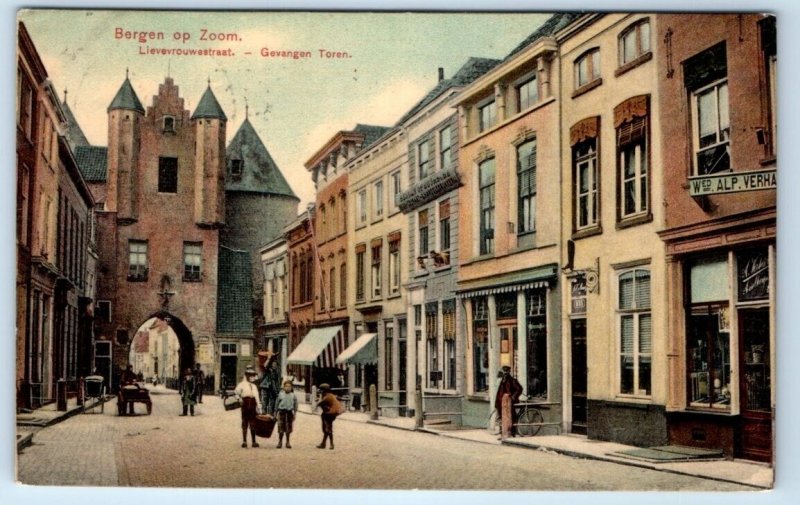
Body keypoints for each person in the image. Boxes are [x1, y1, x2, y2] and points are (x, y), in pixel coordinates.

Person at [235, 367, 262, 448]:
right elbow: (236, 393)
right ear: (246, 376)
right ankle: (244, 441)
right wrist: (239, 399)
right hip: (245, 404)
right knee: (244, 422)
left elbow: (257, 396)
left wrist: (259, 406)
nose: (251, 377)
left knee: (253, 422)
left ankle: (254, 441)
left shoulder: (254, 386)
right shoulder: (241, 385)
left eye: (253, 375)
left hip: (252, 404)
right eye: (249, 375)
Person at [494, 366, 523, 436]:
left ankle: (511, 433)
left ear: (509, 372)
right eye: (504, 371)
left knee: (510, 417)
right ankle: (502, 432)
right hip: (500, 402)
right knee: (500, 417)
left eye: (506, 372)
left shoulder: (512, 380)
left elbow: (519, 389)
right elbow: (498, 392)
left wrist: (513, 397)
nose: (505, 373)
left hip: (508, 402)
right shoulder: (501, 380)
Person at [315, 383, 343, 450]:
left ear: (324, 390)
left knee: (328, 429)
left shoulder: (327, 397)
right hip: (329, 414)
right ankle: (323, 443)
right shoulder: (330, 395)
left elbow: (319, 403)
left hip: (328, 414)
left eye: (321, 390)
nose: (320, 391)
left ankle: (331, 444)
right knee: (326, 429)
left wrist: (318, 401)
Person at [275, 380, 298, 449]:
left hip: (289, 413)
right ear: (283, 387)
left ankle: (288, 442)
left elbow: (295, 405)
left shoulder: (293, 395)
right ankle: (280, 442)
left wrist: (295, 414)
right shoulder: (280, 394)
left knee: (288, 428)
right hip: (282, 412)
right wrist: (275, 413)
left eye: (289, 386)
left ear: (291, 387)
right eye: (286, 386)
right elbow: (277, 404)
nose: (287, 388)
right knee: (281, 428)